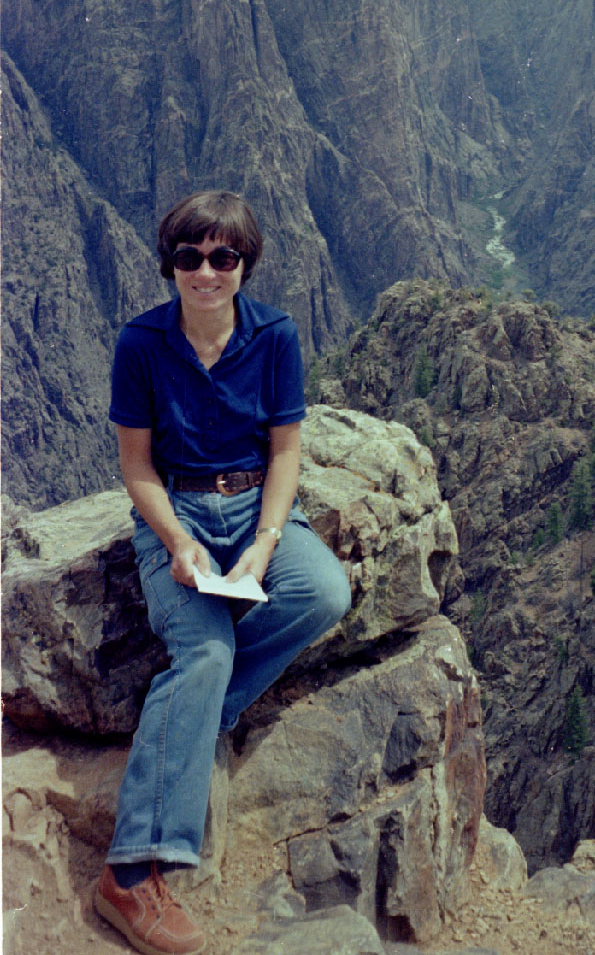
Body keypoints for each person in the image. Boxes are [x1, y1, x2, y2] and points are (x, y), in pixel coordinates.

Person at [94, 190, 352, 955]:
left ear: (245, 265)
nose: (206, 272)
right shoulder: (141, 344)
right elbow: (135, 468)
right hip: (175, 512)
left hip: (252, 506)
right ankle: (130, 877)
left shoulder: (275, 336)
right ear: (171, 265)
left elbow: (285, 452)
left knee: (324, 591)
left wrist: (268, 541)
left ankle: (197, 716)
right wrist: (175, 541)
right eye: (189, 257)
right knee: (202, 651)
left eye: (223, 257)